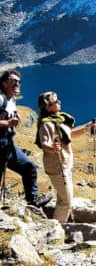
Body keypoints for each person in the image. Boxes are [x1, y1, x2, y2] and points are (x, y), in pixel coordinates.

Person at [35, 91, 96, 223]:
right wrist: (53, 148)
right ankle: (56, 230)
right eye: (56, 101)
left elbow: (70, 134)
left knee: (62, 199)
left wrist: (87, 128)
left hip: (66, 164)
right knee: (66, 202)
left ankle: (58, 228)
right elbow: (44, 143)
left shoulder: (60, 119)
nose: (59, 102)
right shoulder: (47, 124)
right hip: (57, 167)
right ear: (48, 106)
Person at [0, 70, 50, 207]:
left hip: (8, 144)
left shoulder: (11, 99)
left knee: (28, 166)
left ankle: (32, 201)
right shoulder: (0, 98)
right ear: (4, 83)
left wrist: (13, 120)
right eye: (13, 81)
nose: (17, 83)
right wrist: (7, 123)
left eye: (18, 81)